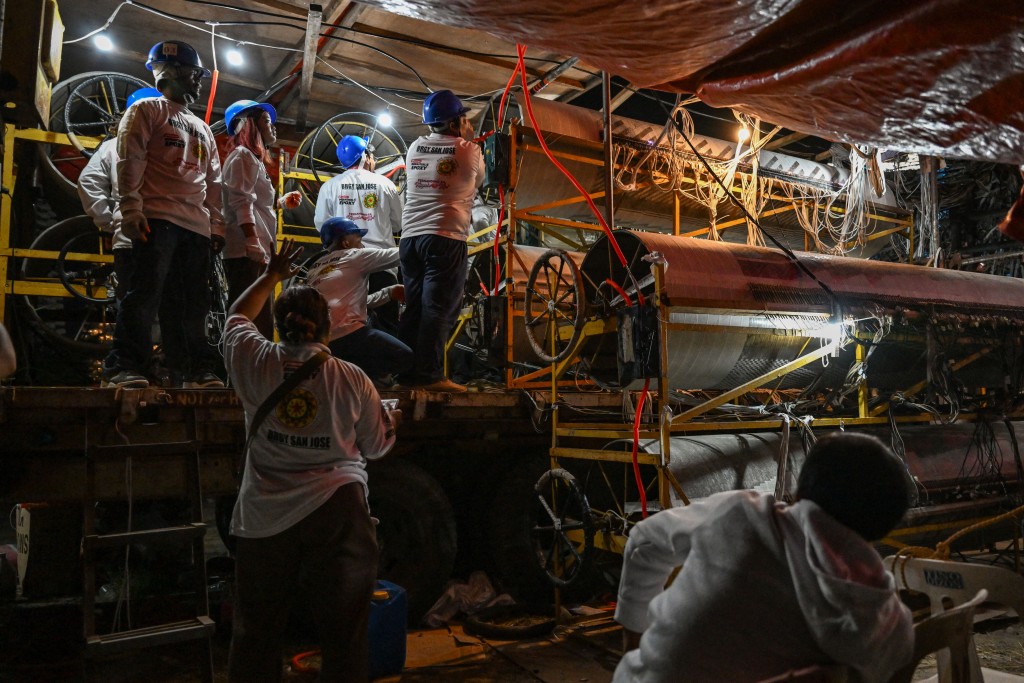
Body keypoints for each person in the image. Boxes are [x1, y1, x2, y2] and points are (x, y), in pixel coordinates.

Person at [223, 239, 400, 683]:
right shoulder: (352, 378)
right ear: (327, 328)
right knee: (344, 635)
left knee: (257, 632)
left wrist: (271, 276)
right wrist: (390, 419)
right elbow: (377, 447)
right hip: (337, 512)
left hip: (264, 517)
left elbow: (237, 317)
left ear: (280, 326)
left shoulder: (253, 359)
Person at [614, 431, 914, 683]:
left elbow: (643, 542)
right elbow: (899, 654)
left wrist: (634, 638)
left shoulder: (741, 513)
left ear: (798, 493)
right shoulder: (878, 612)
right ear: (881, 529)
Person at [102, 40, 225, 389]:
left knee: (191, 304)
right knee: (144, 296)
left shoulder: (201, 128)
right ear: (169, 71)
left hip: (195, 227)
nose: (198, 81)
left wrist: (215, 224)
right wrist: (130, 207)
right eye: (194, 73)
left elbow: (213, 181)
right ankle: (124, 367)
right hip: (157, 218)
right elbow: (130, 160)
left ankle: (193, 371)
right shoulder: (146, 110)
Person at [398, 90, 485, 392]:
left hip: (410, 239)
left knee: (415, 308)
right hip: (445, 237)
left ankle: (405, 372)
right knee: (438, 307)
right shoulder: (469, 150)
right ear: (455, 122)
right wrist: (468, 138)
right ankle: (431, 375)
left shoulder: (414, 147)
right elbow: (480, 180)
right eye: (464, 119)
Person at [221, 98, 300, 337]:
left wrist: (279, 203)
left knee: (260, 318)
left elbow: (253, 201)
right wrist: (251, 240)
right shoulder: (242, 156)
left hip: (256, 251)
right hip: (246, 253)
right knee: (251, 321)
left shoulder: (252, 159)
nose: (273, 126)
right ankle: (242, 371)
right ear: (248, 125)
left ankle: (252, 370)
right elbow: (240, 200)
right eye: (267, 121)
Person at [77, 87, 162, 304]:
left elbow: (88, 182)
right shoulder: (169, 145)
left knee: (134, 308)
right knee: (166, 308)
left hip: (130, 237)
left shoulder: (112, 146)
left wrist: (110, 221)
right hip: (169, 237)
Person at [314, 134, 403, 335]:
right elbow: (398, 223)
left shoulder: (329, 187)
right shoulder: (385, 184)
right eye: (372, 155)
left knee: (347, 325)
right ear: (365, 156)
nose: (374, 160)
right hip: (383, 264)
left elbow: (322, 225)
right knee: (387, 326)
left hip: (345, 267)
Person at [306, 217, 411, 386]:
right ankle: (365, 380)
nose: (362, 246)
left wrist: (388, 292)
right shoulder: (354, 256)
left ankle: (351, 374)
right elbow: (404, 253)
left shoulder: (315, 267)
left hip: (318, 340)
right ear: (346, 243)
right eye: (359, 240)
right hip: (348, 335)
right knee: (404, 357)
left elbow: (350, 302)